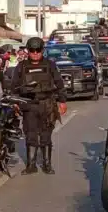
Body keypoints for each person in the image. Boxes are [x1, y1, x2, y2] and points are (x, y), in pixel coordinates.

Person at [10, 37, 68, 174]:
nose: (35, 53)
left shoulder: (50, 65)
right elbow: (14, 87)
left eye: (38, 50)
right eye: (32, 50)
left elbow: (59, 83)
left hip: (47, 105)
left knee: (46, 136)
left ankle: (47, 165)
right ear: (28, 51)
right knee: (30, 135)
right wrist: (15, 102)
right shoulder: (21, 66)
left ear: (42, 50)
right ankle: (31, 165)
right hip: (29, 105)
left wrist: (62, 101)